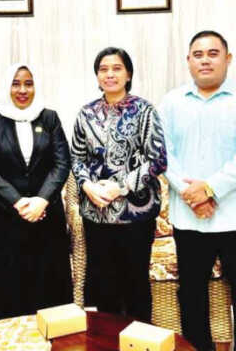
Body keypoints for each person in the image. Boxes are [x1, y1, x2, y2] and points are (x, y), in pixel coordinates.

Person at [159, 30, 236, 351]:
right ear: (188, 61)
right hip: (189, 218)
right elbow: (163, 154)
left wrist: (210, 188)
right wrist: (192, 195)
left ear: (228, 58)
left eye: (213, 53)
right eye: (198, 55)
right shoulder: (171, 102)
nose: (205, 60)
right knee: (191, 293)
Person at [70, 47, 167, 323]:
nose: (109, 74)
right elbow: (76, 158)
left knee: (136, 286)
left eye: (116, 68)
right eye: (103, 69)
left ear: (128, 74)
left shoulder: (144, 110)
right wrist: (88, 186)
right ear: (97, 76)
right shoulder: (86, 113)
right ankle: (107, 341)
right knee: (104, 289)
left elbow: (158, 159)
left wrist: (120, 187)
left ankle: (140, 340)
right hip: (96, 213)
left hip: (135, 214)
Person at [0, 63, 73, 324]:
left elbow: (62, 163)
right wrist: (17, 201)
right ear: (6, 87)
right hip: (6, 218)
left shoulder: (49, 118)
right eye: (16, 83)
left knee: (49, 286)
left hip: (46, 216)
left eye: (28, 84)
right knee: (7, 288)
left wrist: (41, 200)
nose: (22, 90)